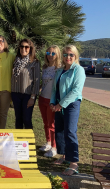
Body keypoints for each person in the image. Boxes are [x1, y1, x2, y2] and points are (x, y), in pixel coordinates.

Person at [50, 45, 86, 176]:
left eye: (71, 55)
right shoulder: (59, 71)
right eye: (65, 55)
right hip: (59, 103)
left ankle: (74, 163)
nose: (68, 57)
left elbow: (76, 91)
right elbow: (54, 89)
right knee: (60, 130)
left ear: (75, 56)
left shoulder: (79, 70)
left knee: (70, 132)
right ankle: (65, 156)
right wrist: (52, 102)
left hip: (72, 104)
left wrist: (61, 104)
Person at [11, 39, 40, 129]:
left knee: (26, 119)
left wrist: (32, 97)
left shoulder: (34, 62)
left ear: (30, 48)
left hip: (28, 95)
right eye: (21, 46)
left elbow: (37, 81)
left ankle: (29, 142)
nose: (24, 48)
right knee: (18, 119)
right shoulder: (15, 61)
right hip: (15, 94)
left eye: (26, 47)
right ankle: (19, 141)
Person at [39, 45, 61, 158]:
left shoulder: (59, 69)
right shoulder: (45, 67)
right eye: (48, 53)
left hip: (51, 100)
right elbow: (43, 83)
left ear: (57, 55)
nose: (50, 56)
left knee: (52, 124)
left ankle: (54, 147)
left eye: (53, 53)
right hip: (42, 98)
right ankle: (48, 143)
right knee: (45, 123)